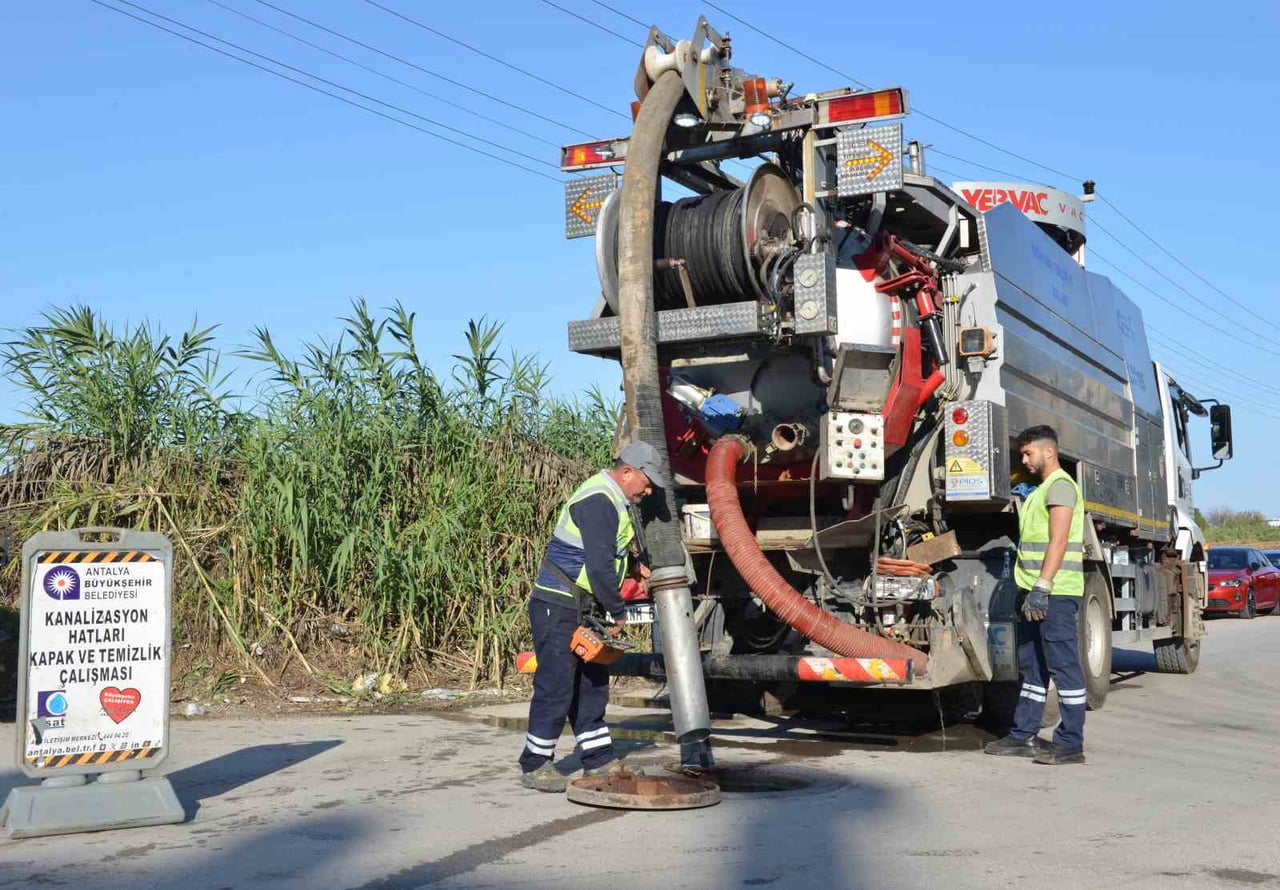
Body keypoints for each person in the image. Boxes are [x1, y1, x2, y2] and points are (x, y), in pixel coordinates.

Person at [517, 440, 667, 792]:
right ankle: (535, 763)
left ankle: (598, 759)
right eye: (646, 483)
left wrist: (633, 566)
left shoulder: (613, 499)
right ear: (627, 472)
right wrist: (617, 611)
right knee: (557, 684)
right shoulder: (599, 500)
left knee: (592, 683)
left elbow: (604, 553)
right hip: (559, 604)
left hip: (581, 606)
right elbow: (599, 567)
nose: (648, 491)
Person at [985, 425, 1088, 766]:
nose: (1024, 460)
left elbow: (1059, 540)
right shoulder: (1040, 490)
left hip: (1055, 593)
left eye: (1028, 453)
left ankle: (1070, 743)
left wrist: (1043, 586)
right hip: (1033, 593)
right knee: (1033, 668)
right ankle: (1023, 735)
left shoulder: (1060, 486)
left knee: (1063, 666)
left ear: (1049, 452)